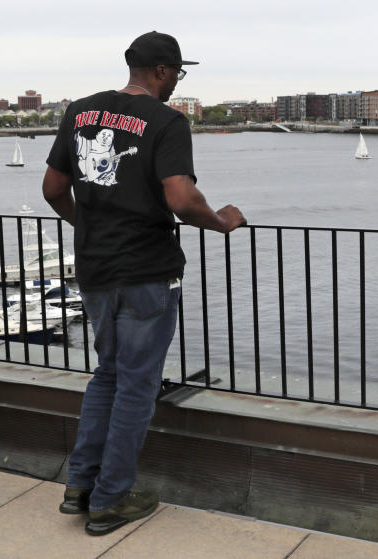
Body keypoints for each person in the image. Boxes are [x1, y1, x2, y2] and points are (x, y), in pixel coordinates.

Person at [42, 30, 247, 536]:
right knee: (137, 385)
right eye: (177, 71)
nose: (178, 80)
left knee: (107, 375)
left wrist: (89, 227)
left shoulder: (81, 111)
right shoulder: (167, 120)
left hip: (95, 269)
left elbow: (52, 189)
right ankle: (110, 500)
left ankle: (79, 487)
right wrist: (221, 222)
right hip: (147, 274)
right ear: (161, 71)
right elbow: (180, 197)